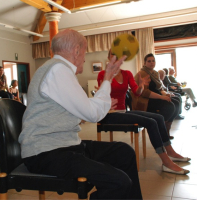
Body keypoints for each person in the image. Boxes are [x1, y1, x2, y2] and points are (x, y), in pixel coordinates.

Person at [18, 29, 142, 199]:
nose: (84, 57)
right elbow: (93, 114)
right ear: (76, 50)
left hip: (64, 146)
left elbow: (83, 108)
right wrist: (107, 78)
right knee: (119, 182)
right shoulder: (58, 71)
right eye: (84, 51)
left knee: (124, 152)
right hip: (46, 153)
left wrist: (103, 94)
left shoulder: (56, 69)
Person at [97, 50, 190, 175]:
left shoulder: (127, 74)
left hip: (123, 112)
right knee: (150, 122)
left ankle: (170, 152)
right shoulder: (102, 74)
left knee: (158, 117)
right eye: (113, 56)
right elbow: (101, 95)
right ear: (108, 57)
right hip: (109, 113)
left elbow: (137, 92)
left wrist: (141, 86)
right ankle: (166, 162)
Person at [132, 53, 180, 139]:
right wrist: (162, 97)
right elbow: (144, 92)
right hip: (145, 101)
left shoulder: (155, 73)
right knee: (170, 106)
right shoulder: (142, 73)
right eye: (149, 61)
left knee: (176, 101)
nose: (151, 63)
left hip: (156, 97)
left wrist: (166, 94)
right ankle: (160, 130)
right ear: (144, 63)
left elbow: (160, 89)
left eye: (153, 61)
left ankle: (166, 130)